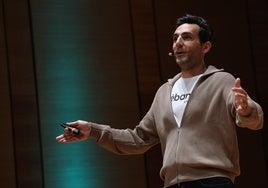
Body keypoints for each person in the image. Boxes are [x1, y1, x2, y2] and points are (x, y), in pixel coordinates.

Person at [56, 14, 263, 188]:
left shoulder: (222, 81)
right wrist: (93, 130)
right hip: (172, 183)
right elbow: (138, 139)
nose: (178, 43)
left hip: (213, 182)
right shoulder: (164, 91)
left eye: (187, 37)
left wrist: (245, 109)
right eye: (175, 38)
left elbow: (255, 120)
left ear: (205, 46)